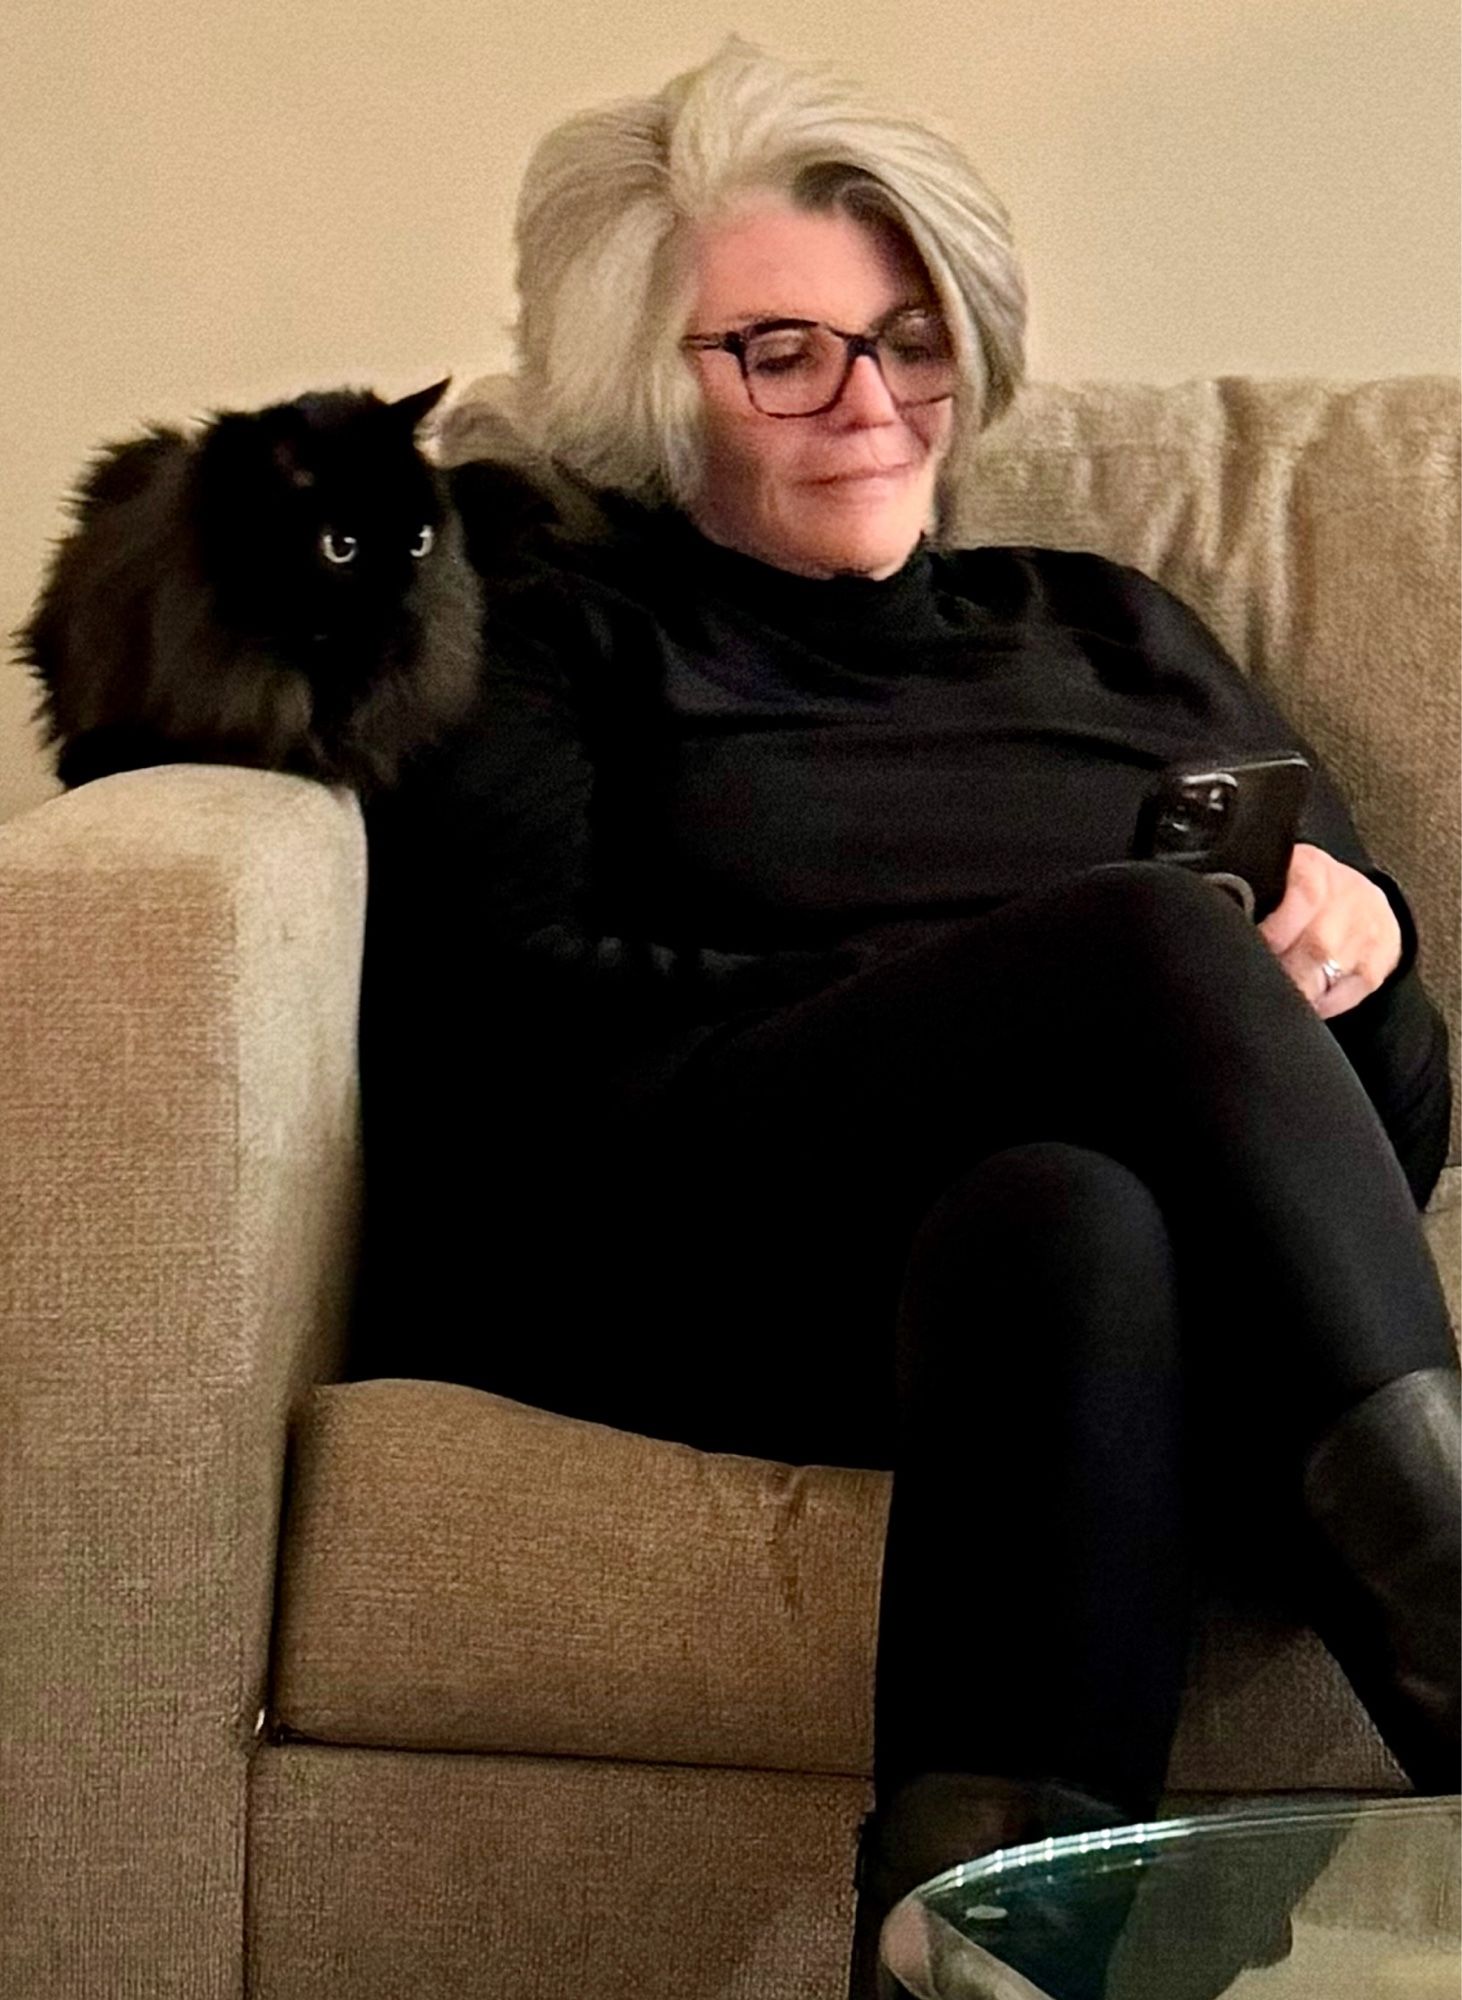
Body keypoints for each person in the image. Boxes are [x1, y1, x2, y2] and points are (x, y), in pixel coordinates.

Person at [352, 38, 1460, 1999]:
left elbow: (1376, 1120)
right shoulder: (552, 630)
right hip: (671, 1225)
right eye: (777, 352)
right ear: (640, 384)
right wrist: (1018, 989)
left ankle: (977, 1963)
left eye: (906, 338)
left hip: (1020, 1283)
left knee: (1068, 1212)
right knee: (1126, 956)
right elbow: (514, 1030)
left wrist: (1349, 952)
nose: (871, 403)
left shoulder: (1110, 624)